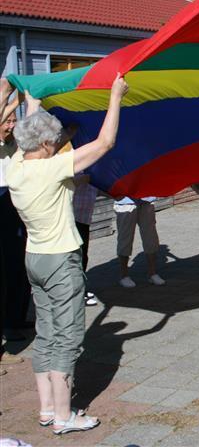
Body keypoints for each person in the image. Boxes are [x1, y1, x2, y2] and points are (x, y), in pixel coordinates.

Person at [5, 73, 128, 435]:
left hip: (35, 260)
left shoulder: (16, 166)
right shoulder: (52, 168)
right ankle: (64, 416)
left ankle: (46, 410)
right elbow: (106, 142)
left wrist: (34, 99)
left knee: (45, 333)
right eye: (54, 140)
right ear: (44, 143)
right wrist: (116, 96)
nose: (58, 144)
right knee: (68, 337)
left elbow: (27, 128)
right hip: (61, 261)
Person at [0, 80, 26, 370]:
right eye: (7, 122)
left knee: (17, 265)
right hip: (1, 201)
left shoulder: (12, 145)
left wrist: (23, 97)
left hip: (13, 202)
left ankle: (15, 320)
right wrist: (5, 94)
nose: (11, 126)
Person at [114, 196, 165, 288]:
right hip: (125, 202)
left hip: (147, 199)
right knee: (125, 238)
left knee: (151, 237)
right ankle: (124, 276)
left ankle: (152, 273)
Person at [72, 173, 98, 305]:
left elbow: (97, 189)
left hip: (84, 217)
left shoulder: (93, 168)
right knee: (75, 257)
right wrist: (84, 178)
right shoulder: (76, 165)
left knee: (83, 256)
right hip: (72, 217)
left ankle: (79, 291)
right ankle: (75, 295)